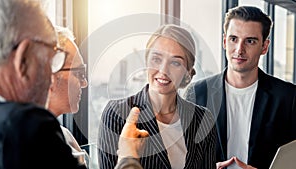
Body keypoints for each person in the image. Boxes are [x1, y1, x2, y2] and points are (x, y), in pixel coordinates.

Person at [184, 6, 296, 169]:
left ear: (264, 47)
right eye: (233, 39)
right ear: (224, 41)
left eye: (250, 41)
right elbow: (183, 159)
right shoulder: (197, 94)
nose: (239, 50)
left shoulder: (288, 98)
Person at [98, 24, 217, 169]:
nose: (163, 70)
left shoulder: (203, 119)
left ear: (187, 72)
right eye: (156, 59)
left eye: (175, 62)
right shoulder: (117, 113)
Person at [0, 0, 86, 168]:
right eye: (52, 61)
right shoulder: (27, 126)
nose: (51, 76)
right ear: (23, 60)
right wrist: (128, 156)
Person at [47, 26, 88, 165]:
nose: (84, 83)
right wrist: (128, 157)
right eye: (79, 73)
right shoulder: (30, 144)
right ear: (51, 74)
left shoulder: (65, 135)